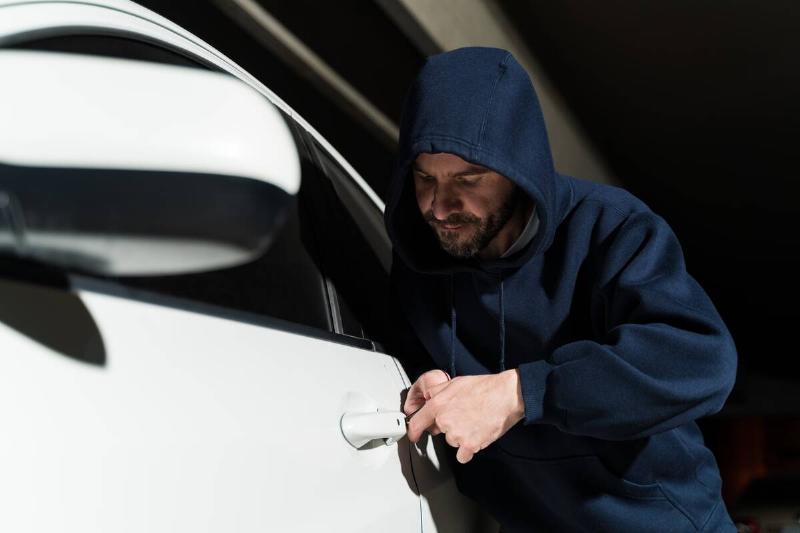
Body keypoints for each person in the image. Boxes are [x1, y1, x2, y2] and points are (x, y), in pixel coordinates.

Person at [383, 47, 738, 532]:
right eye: (426, 179)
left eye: (468, 179)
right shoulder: (421, 258)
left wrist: (522, 393)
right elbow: (399, 337)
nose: (441, 207)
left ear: (517, 168)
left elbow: (700, 360)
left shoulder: (611, 228)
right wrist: (424, 374)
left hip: (655, 520)